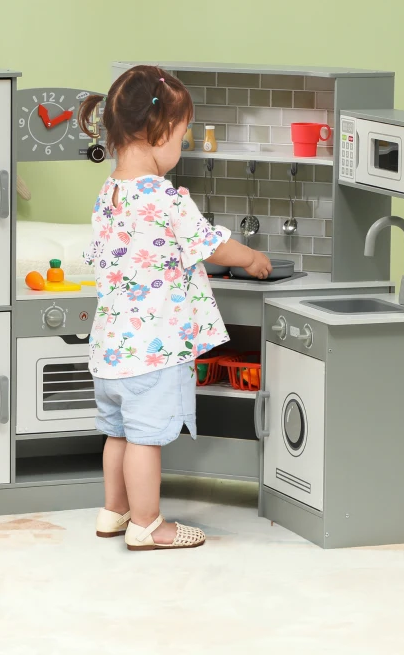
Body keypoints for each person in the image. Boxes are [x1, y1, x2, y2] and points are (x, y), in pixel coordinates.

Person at [80, 65, 272, 552]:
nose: (180, 149)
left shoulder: (110, 193)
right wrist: (249, 257)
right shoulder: (163, 197)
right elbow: (210, 245)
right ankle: (148, 525)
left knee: (117, 434)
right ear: (157, 132)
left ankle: (114, 511)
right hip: (154, 351)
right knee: (145, 440)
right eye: (182, 138)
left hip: (110, 352)